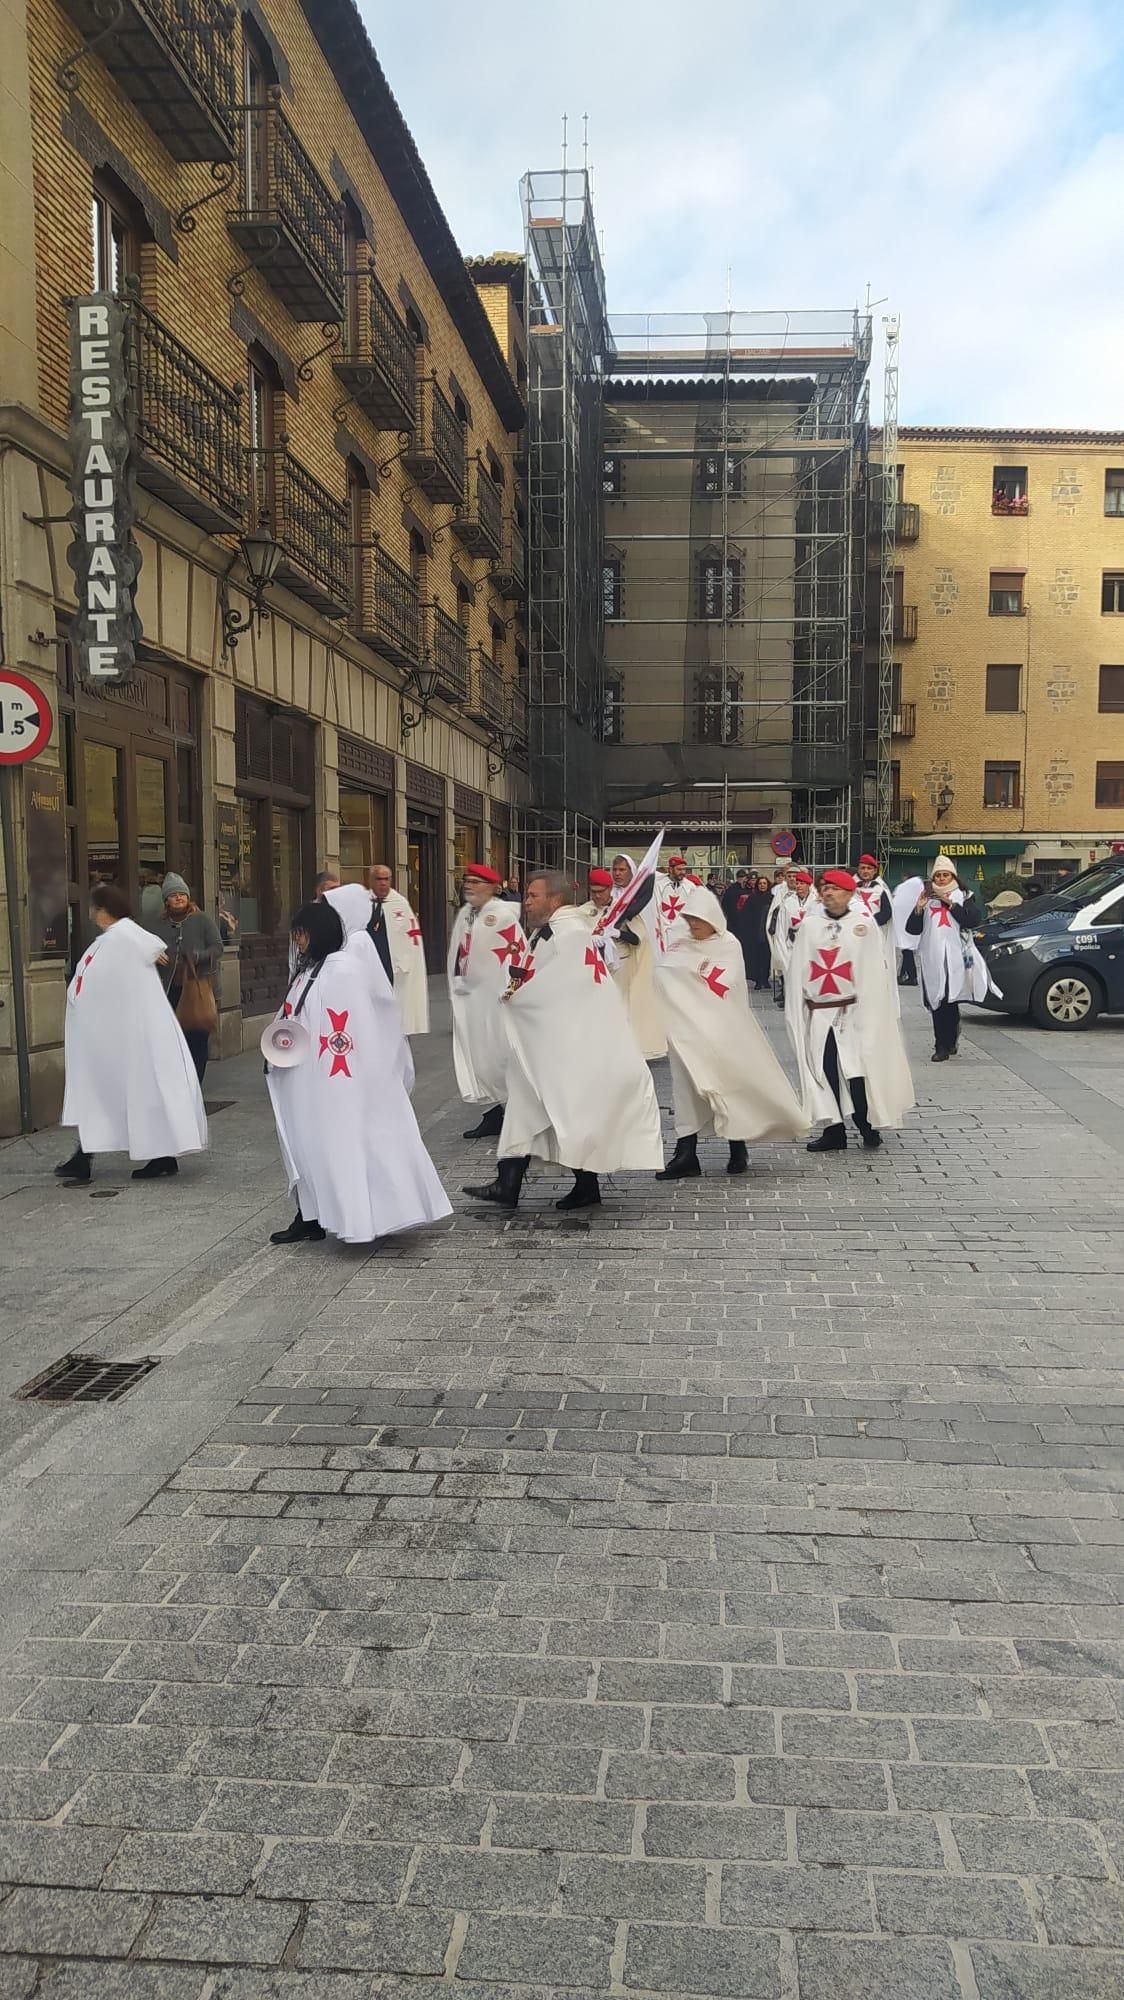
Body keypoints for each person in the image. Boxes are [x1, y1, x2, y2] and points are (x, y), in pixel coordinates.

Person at [463, 870, 663, 1212]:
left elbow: (557, 985)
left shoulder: (566, 934)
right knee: (537, 1106)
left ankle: (533, 1184)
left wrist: (515, 1000)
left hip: (570, 1039)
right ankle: (514, 1183)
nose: (525, 901)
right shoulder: (564, 930)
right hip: (561, 1036)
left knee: (563, 1110)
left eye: (532, 895)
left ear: (554, 899)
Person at [266, 890, 450, 1245]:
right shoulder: (314, 968)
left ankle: (350, 1217)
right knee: (311, 1146)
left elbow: (348, 1033)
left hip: (334, 1079)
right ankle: (311, 1213)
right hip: (306, 1076)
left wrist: (339, 1080)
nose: (297, 941)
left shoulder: (342, 971)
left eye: (303, 933)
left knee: (342, 1145)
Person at [56, 882, 208, 1185]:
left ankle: (88, 1158)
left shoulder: (122, 937)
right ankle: (148, 1157)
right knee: (116, 1094)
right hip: (115, 1034)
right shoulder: (115, 938)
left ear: (103, 910)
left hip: (125, 1037)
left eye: (93, 908)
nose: (90, 914)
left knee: (110, 1092)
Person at [655, 884, 807, 1179]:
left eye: (698, 919)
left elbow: (726, 984)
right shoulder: (680, 945)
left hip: (723, 1032)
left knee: (729, 1086)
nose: (693, 925)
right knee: (687, 1092)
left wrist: (690, 978)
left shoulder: (729, 945)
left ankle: (738, 1148)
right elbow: (664, 973)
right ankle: (687, 1153)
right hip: (685, 1033)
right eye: (689, 919)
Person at [786, 868, 914, 1153]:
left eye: (834, 888)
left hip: (855, 1011)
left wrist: (873, 1013)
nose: (828, 892)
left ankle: (865, 1123)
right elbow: (799, 969)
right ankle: (834, 1130)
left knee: (857, 1069)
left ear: (848, 893)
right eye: (824, 888)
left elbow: (872, 974)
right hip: (819, 1011)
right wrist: (799, 1007)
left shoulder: (864, 925)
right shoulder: (811, 925)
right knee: (823, 1068)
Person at [448, 862, 528, 1138]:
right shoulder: (467, 914)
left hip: (495, 998)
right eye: (466, 880)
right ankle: (492, 1113)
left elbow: (505, 956)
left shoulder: (499, 916)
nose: (469, 885)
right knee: (478, 1054)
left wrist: (507, 989)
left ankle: (516, 1113)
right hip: (472, 997)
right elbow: (462, 952)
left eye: (476, 881)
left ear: (492, 888)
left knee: (498, 1055)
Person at [900, 855, 997, 1062]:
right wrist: (918, 909)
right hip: (932, 956)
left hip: (955, 955)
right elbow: (912, 929)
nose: (942, 879)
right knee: (937, 999)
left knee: (951, 998)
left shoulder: (963, 895)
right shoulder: (925, 897)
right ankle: (940, 1045)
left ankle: (951, 1037)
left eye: (945, 875)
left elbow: (972, 920)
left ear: (952, 876)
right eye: (938, 875)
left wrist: (951, 904)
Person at [153, 872, 223, 1083]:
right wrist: (154, 954)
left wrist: (198, 956)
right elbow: (145, 948)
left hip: (197, 988)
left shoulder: (201, 920)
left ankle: (195, 1085)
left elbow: (217, 947)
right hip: (169, 991)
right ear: (166, 900)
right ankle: (178, 1084)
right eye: (173, 895)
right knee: (172, 1042)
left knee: (197, 1039)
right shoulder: (158, 925)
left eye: (182, 894)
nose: (179, 898)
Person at [606, 852, 667, 1060]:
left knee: (632, 1003)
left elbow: (641, 933)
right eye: (614, 869)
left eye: (622, 869)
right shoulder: (608, 894)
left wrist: (619, 933)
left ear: (631, 872)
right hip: (610, 960)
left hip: (633, 958)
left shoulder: (640, 898)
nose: (617, 874)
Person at [369, 863, 427, 1035]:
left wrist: (406, 962)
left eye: (387, 879)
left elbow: (413, 938)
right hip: (371, 964)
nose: (383, 883)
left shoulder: (400, 903)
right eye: (379, 879)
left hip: (394, 967)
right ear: (371, 880)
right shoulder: (363, 903)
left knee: (397, 1018)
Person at [721, 870, 772, 990]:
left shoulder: (772, 898)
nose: (762, 885)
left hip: (768, 932)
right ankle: (758, 980)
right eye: (760, 884)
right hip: (754, 932)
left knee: (767, 956)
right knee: (756, 957)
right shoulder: (752, 898)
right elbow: (745, 916)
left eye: (764, 883)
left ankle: (766, 979)